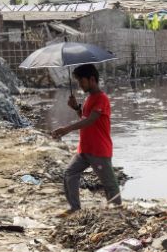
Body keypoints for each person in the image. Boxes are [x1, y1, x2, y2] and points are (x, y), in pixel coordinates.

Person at [52, 64, 122, 213]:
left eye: (81, 81)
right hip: (84, 149)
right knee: (69, 174)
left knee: (109, 184)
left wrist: (67, 129)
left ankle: (118, 211)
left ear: (92, 79)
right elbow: (85, 117)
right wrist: (76, 108)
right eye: (77, 81)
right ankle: (75, 208)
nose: (79, 85)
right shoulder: (89, 98)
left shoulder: (101, 99)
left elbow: (91, 120)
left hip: (99, 150)